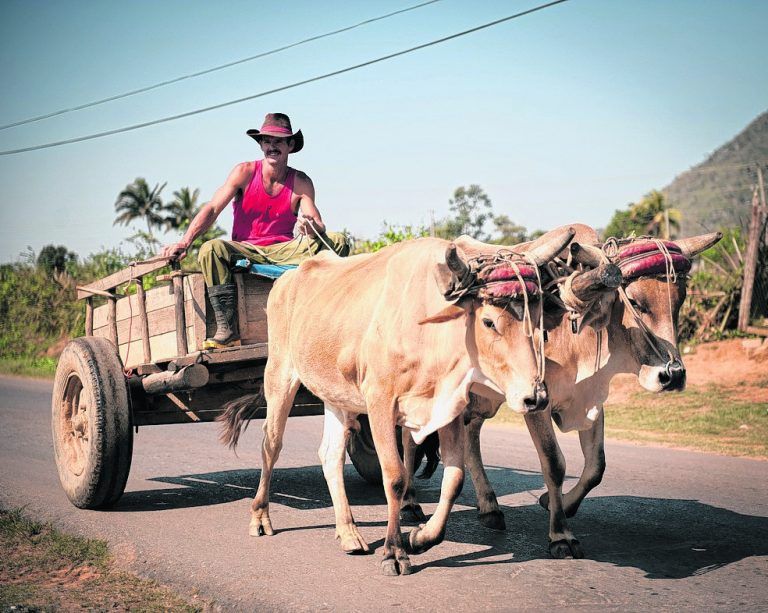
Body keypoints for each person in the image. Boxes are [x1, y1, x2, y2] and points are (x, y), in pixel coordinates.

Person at [160, 113, 350, 349]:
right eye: (267, 140)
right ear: (261, 144)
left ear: (290, 145)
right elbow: (212, 208)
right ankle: (227, 329)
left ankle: (336, 316)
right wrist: (185, 242)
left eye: (279, 141)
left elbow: (317, 224)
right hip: (246, 249)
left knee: (338, 240)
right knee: (211, 249)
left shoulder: (300, 181)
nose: (272, 146)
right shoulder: (245, 172)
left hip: (284, 250)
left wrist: (310, 227)